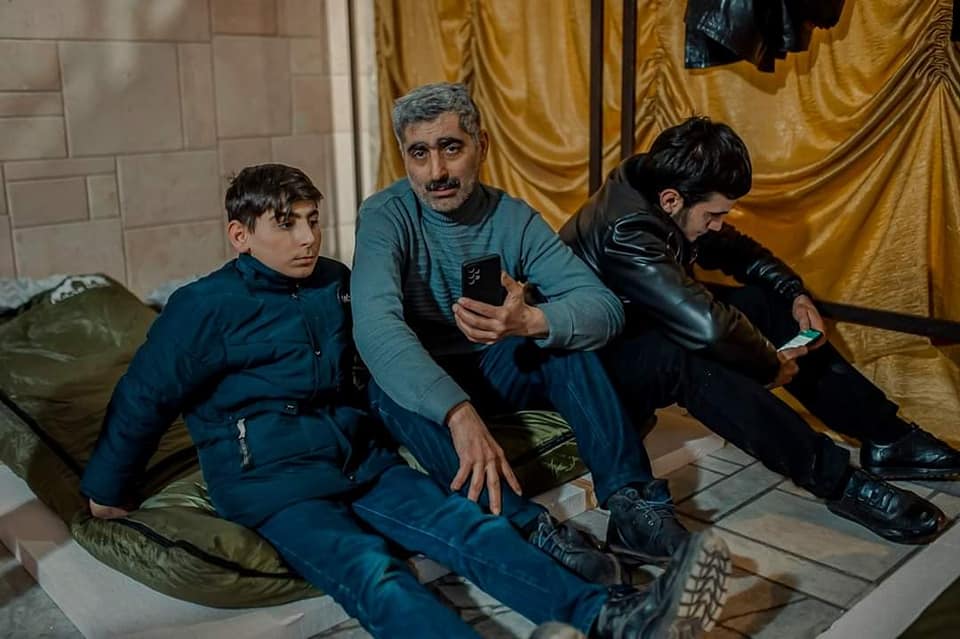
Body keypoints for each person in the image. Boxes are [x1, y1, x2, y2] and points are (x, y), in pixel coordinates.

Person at [79, 163, 733, 639]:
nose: (307, 237)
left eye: (312, 219)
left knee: (469, 526)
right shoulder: (201, 307)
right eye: (286, 224)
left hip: (357, 458)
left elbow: (383, 348)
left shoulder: (335, 282)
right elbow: (144, 395)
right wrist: (107, 489)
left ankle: (611, 617)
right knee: (376, 573)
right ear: (240, 234)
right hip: (273, 482)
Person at [559, 116, 955, 553]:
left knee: (763, 303)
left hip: (639, 325)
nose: (718, 225)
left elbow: (733, 250)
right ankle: (841, 483)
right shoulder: (627, 229)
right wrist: (770, 365)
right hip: (591, 365)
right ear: (671, 200)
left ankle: (886, 436)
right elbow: (708, 327)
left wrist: (794, 292)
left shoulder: (662, 188)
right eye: (713, 215)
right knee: (696, 358)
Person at [351, 82, 695, 573]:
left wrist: (530, 320)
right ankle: (529, 529)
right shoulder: (385, 215)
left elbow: (603, 308)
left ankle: (630, 507)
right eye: (419, 153)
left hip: (494, 367)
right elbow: (375, 327)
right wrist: (457, 413)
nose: (436, 171)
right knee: (385, 388)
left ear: (481, 146)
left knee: (560, 340)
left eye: (451, 148)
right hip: (425, 380)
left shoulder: (512, 217)